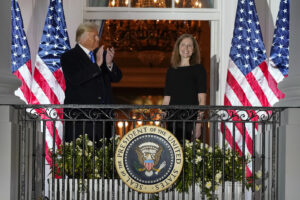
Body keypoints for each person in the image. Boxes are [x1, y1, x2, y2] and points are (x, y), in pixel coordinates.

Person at [60, 22, 122, 142]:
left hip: (104, 120)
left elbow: (117, 77)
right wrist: (97, 65)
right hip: (81, 119)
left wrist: (109, 63)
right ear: (84, 37)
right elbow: (76, 79)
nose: (98, 38)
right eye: (95, 35)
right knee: (82, 158)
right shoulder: (69, 56)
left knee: (104, 158)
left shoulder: (101, 55)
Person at [162, 34, 206, 141]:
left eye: (189, 45)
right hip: (172, 119)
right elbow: (167, 98)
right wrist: (162, 120)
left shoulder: (199, 69)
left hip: (191, 118)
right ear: (178, 48)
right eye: (183, 45)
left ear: (194, 49)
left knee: (188, 154)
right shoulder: (171, 71)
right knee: (173, 152)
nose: (186, 48)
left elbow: (202, 99)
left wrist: (198, 125)